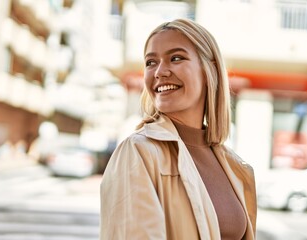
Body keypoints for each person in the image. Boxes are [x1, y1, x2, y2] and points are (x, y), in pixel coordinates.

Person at [100, 18, 257, 240]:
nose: (159, 72)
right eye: (151, 62)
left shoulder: (234, 166)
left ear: (208, 69)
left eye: (176, 58)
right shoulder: (138, 152)